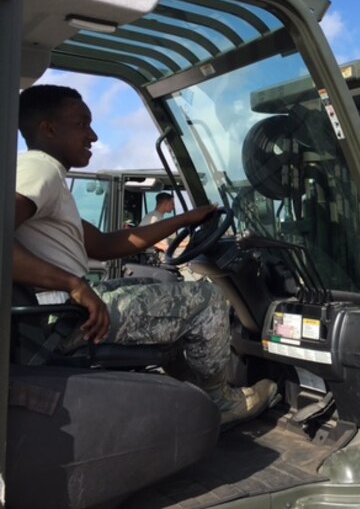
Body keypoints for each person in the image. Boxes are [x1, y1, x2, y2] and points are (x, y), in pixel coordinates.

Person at [14, 84, 276, 426]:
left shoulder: (45, 178)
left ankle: (190, 397)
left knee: (165, 290)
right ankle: (221, 401)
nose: (93, 135)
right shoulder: (40, 169)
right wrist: (74, 284)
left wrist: (183, 219)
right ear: (48, 129)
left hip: (59, 311)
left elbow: (104, 244)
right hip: (63, 318)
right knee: (208, 299)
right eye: (82, 124)